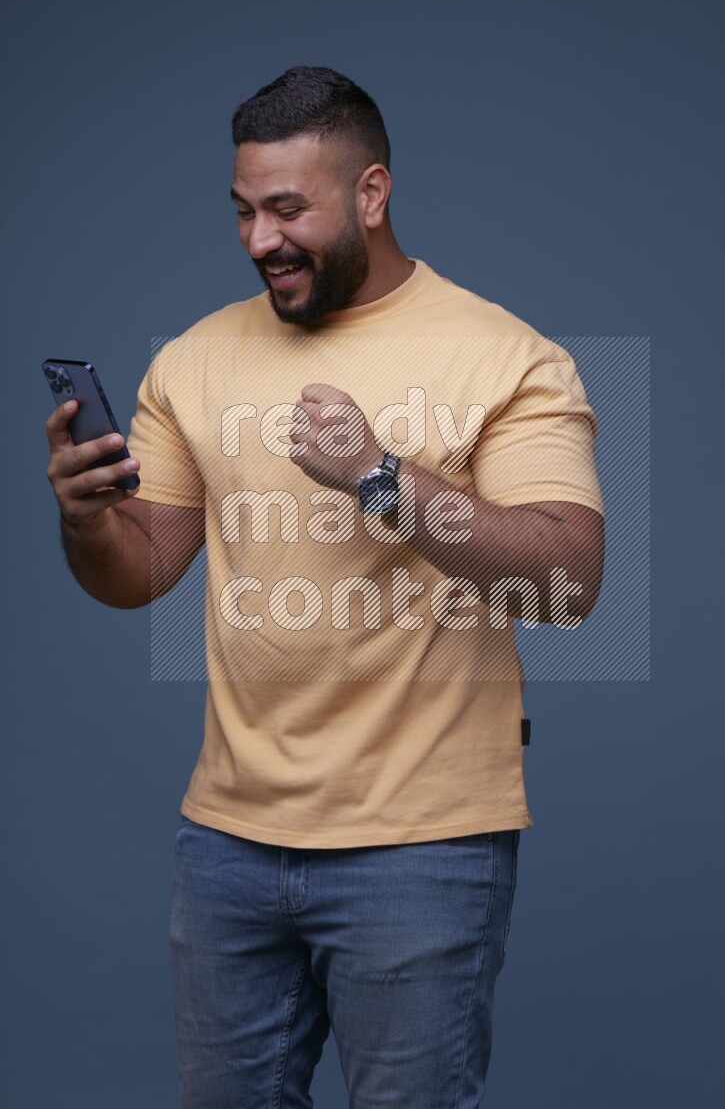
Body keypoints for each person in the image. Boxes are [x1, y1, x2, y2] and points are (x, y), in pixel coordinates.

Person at [45, 66, 605, 1108]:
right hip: (225, 841)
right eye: (244, 211)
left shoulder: (506, 358)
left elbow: (567, 580)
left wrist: (380, 480)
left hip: (423, 845)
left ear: (371, 195)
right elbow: (141, 572)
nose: (260, 240)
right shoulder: (195, 360)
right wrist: (87, 520)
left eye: (288, 209)